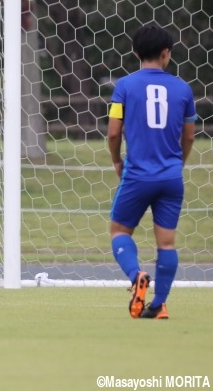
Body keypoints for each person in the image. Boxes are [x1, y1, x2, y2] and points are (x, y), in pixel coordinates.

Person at [107, 24, 196, 319]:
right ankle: (159, 305)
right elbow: (190, 136)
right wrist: (177, 163)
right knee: (167, 243)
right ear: (166, 53)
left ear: (135, 53)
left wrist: (117, 160)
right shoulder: (183, 89)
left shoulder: (124, 87)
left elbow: (113, 132)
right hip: (171, 176)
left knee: (119, 231)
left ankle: (137, 276)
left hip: (137, 174)